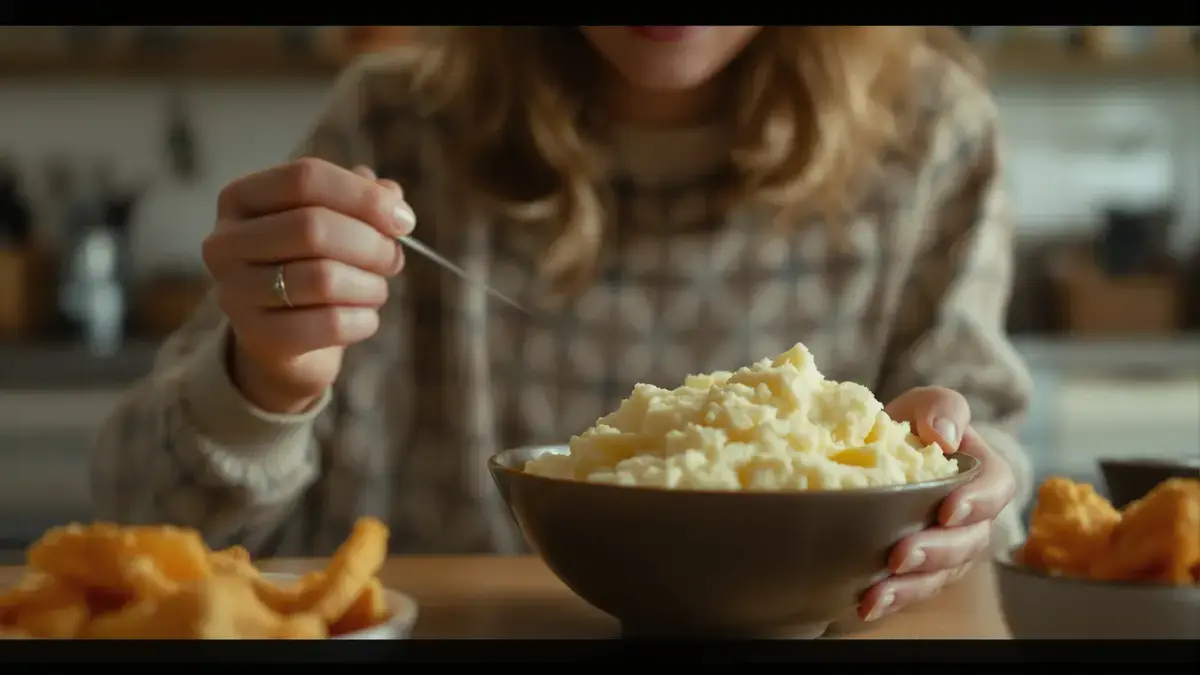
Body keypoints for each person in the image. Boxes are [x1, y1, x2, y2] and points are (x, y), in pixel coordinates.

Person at [92, 26, 1033, 624]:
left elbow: (990, 463)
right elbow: (141, 521)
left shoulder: (932, 135)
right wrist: (266, 377)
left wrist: (964, 484)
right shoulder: (390, 126)